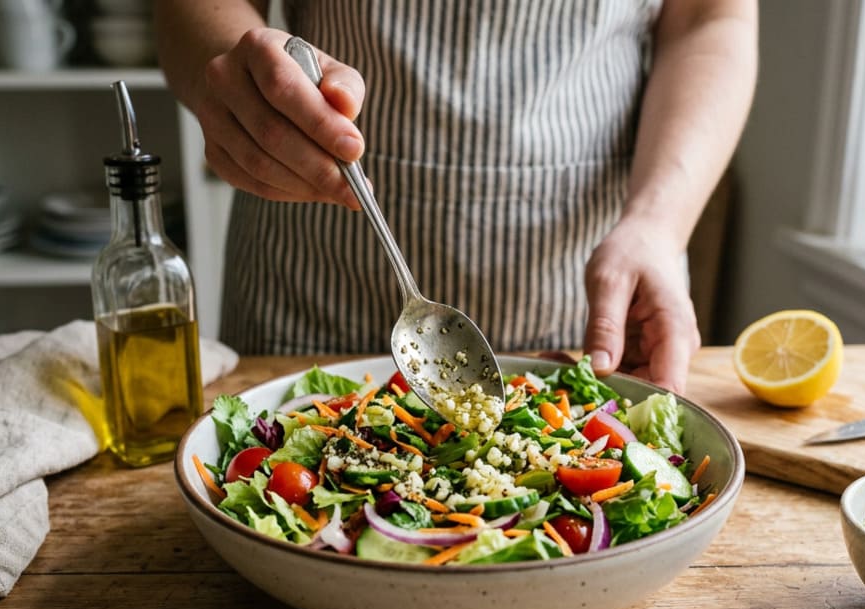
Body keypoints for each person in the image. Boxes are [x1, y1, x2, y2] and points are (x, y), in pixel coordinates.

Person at [155, 0, 757, 394]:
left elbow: (709, 19)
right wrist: (239, 78)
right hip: (310, 265)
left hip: (581, 275)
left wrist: (657, 224)